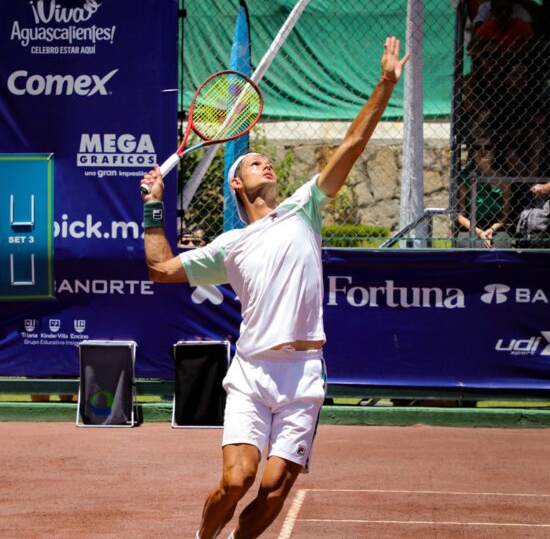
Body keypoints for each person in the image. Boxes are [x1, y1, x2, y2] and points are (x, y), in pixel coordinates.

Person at [140, 37, 409, 539]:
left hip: (303, 374)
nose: (266, 164)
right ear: (236, 184)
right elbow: (160, 268)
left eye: (267, 161)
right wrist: (153, 205)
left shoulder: (304, 208)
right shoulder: (229, 246)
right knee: (235, 480)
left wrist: (385, 85)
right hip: (252, 372)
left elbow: (352, 145)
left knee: (273, 488)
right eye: (253, 162)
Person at [456, 133, 512, 248]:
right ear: (472, 153)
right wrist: (479, 232)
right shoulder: (465, 177)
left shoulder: (503, 179)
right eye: (477, 148)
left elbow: (504, 216)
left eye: (488, 147)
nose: (483, 151)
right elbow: (460, 216)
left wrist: (491, 230)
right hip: (471, 226)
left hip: (495, 226)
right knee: (469, 245)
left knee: (502, 245)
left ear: (494, 152)